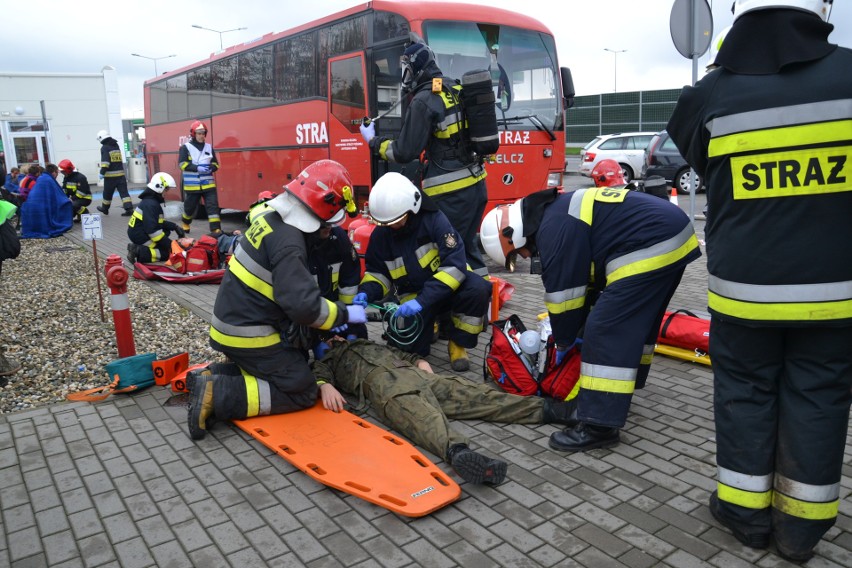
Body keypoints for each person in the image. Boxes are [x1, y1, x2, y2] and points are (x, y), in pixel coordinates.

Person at [665, 1, 849, 562]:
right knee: (818, 399)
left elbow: (693, 152)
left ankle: (745, 517)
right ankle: (799, 533)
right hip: (834, 293)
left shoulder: (710, 95)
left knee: (744, 395)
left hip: (744, 293)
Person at [480, 182, 701, 452]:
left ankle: (599, 426)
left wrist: (564, 341)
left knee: (605, 329)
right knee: (638, 322)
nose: (525, 257)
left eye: (517, 254)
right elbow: (589, 277)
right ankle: (621, 390)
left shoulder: (553, 229)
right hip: (671, 235)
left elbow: (565, 299)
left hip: (652, 241)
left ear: (512, 235)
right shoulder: (556, 214)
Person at [187, 160, 365, 440]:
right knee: (302, 388)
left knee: (292, 363)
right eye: (327, 226)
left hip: (233, 326)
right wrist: (346, 315)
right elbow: (304, 307)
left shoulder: (273, 220)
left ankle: (211, 376)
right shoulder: (291, 244)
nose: (328, 232)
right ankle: (218, 394)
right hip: (248, 335)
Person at [312, 337, 577, 485]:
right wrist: (325, 386)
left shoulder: (366, 343)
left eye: (335, 334)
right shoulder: (329, 361)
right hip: (386, 386)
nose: (334, 338)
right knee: (424, 421)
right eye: (328, 338)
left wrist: (420, 360)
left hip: (417, 376)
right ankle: (461, 455)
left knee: (480, 396)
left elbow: (401, 353)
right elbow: (318, 376)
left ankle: (554, 411)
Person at [359, 39, 489, 277]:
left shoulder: (424, 99)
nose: (405, 76)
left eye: (406, 70)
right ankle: (484, 302)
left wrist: (372, 141)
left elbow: (404, 151)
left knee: (448, 254)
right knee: (468, 248)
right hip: (477, 186)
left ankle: (454, 307)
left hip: (450, 193)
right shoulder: (456, 88)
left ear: (414, 69)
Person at [354, 172, 491, 371]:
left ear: (412, 208)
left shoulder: (434, 220)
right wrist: (367, 291)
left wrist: (423, 301)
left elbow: (455, 266)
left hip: (451, 288)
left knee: (478, 289)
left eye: (397, 220)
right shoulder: (381, 236)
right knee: (406, 348)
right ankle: (430, 325)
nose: (392, 225)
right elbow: (378, 274)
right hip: (414, 298)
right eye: (386, 222)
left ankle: (458, 343)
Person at [126, 172, 185, 263]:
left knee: (166, 233)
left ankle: (138, 248)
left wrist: (175, 227)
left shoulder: (151, 202)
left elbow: (158, 222)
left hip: (139, 232)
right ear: (159, 188)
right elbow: (153, 231)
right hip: (140, 236)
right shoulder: (150, 205)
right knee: (166, 253)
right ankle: (137, 251)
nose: (167, 193)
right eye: (166, 190)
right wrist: (171, 245)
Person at [179, 120, 221, 234]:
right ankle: (185, 222)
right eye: (199, 133)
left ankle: (215, 229)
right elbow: (182, 164)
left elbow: (216, 164)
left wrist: (211, 168)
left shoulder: (209, 147)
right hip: (193, 185)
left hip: (208, 183)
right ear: (193, 134)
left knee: (213, 207)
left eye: (203, 133)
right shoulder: (185, 148)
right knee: (190, 208)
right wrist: (197, 168)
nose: (201, 135)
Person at [19, 163, 73, 239]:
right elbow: (58, 197)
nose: (57, 175)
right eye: (57, 173)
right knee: (67, 204)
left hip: (29, 207)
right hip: (41, 208)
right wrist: (67, 200)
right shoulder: (48, 179)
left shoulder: (41, 178)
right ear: (54, 172)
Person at [95, 130, 133, 216]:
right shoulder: (116, 145)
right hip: (121, 175)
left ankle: (105, 209)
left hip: (110, 177)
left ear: (101, 138)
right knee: (124, 193)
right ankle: (129, 209)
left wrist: (102, 173)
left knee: (107, 193)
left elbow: (105, 162)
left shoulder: (105, 147)